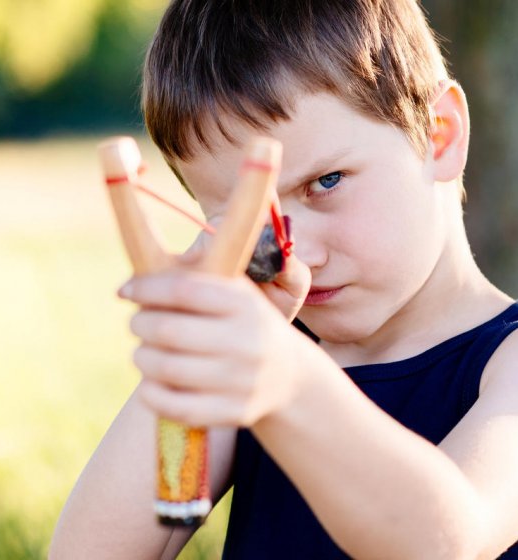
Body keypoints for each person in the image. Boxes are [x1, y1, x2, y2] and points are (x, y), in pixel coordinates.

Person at [50, 0, 518, 558]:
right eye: (241, 219)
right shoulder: (257, 361)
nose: (296, 254)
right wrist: (192, 348)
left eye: (326, 182)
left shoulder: (504, 364)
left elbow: (446, 541)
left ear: (438, 134)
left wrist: (286, 381)